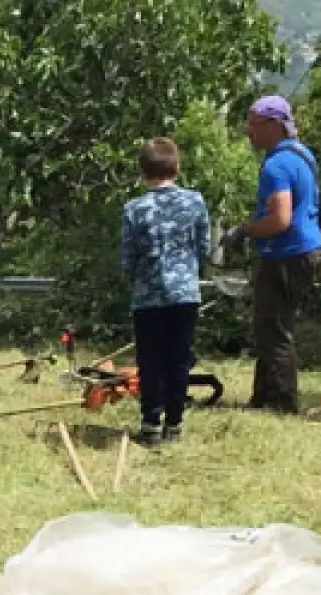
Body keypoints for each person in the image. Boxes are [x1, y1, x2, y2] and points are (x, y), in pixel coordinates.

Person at [222, 96, 321, 414]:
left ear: (275, 125)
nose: (249, 132)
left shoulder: (277, 164)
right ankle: (263, 397)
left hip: (285, 255)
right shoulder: (302, 154)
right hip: (307, 251)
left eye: (254, 124)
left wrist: (243, 231)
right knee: (270, 328)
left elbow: (280, 219)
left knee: (274, 331)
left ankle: (281, 404)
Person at [120, 137, 210, 449]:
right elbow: (204, 247)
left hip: (149, 296)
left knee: (151, 359)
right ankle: (174, 422)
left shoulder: (134, 209)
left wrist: (136, 279)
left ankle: (150, 424)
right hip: (185, 293)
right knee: (179, 358)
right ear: (177, 167)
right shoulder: (195, 202)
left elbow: (128, 257)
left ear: (142, 172)